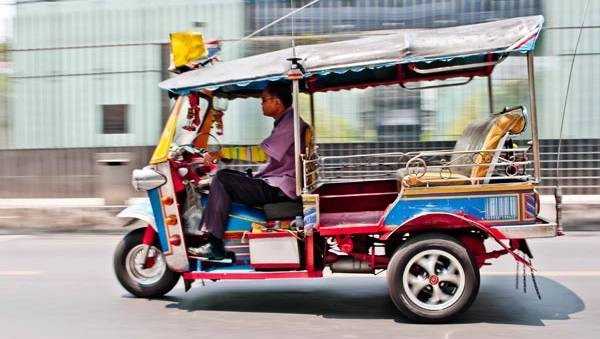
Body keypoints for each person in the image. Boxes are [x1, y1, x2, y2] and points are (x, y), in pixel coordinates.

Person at [188, 82, 308, 259]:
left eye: (264, 100)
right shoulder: (285, 122)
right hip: (276, 180)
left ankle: (215, 245)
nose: (261, 104)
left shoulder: (290, 124)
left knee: (221, 179)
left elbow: (261, 153)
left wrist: (223, 152)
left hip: (280, 187)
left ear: (277, 102)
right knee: (226, 175)